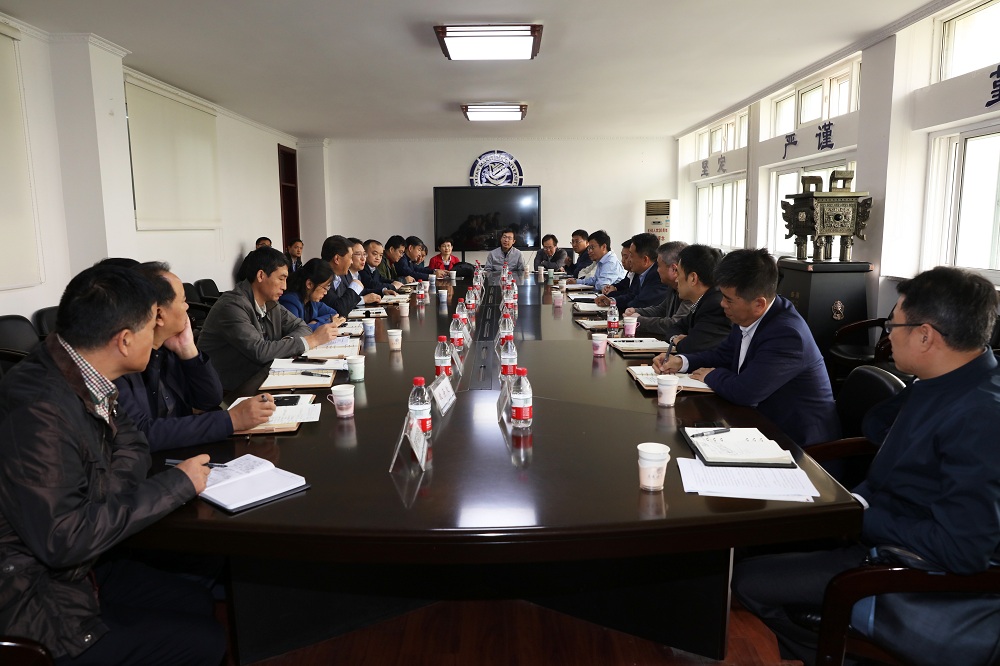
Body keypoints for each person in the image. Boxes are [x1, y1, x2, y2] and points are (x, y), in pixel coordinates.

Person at [733, 266, 1000, 666]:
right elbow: (884, 433)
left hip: (913, 572)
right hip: (885, 527)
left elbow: (962, 550)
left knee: (746, 582)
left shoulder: (981, 417)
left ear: (925, 336)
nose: (887, 336)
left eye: (893, 325)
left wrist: (857, 513)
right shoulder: (948, 377)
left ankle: (838, 655)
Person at [0, 264, 225, 664]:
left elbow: (134, 443)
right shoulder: (39, 409)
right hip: (34, 596)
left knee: (196, 599)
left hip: (83, 565)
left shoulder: (81, 371)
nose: (156, 336)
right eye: (149, 327)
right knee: (206, 640)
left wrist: (97, 499)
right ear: (124, 340)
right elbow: (65, 540)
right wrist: (175, 484)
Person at [653, 248, 838, 447]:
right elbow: (723, 354)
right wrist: (682, 362)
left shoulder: (787, 334)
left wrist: (711, 375)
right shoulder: (750, 316)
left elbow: (746, 392)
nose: (722, 304)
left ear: (759, 304)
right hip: (758, 424)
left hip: (799, 444)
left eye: (728, 299)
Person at [116, 262, 274, 451]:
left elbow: (209, 400)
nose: (187, 307)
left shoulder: (169, 348)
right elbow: (141, 433)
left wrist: (189, 351)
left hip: (185, 450)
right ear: (158, 315)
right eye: (182, 301)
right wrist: (232, 420)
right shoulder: (119, 363)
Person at [200, 246, 342, 390]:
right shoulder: (232, 306)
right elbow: (260, 352)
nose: (285, 287)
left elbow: (302, 326)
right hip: (229, 391)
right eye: (281, 279)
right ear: (261, 276)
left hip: (262, 377)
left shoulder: (271, 303)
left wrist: (285, 343)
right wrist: (312, 340)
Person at [650, 244, 731, 353]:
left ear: (693, 278)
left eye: (678, 273)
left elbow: (692, 347)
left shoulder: (715, 305)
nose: (676, 279)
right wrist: (675, 338)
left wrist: (680, 342)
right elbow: (674, 328)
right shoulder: (703, 301)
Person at [624, 241, 692, 338]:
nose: (657, 270)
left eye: (659, 266)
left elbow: (675, 324)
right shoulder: (672, 286)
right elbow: (662, 309)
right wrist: (636, 311)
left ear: (674, 269)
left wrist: (639, 320)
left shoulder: (691, 291)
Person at [596, 233, 668, 310]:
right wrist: (611, 301)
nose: (629, 260)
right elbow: (631, 295)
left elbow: (640, 303)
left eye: (631, 255)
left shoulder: (657, 275)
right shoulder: (640, 273)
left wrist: (613, 302)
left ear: (645, 260)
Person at [320, 234, 380, 317]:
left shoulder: (337, 276)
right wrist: (354, 287)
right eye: (350, 257)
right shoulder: (322, 277)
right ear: (337, 259)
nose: (351, 262)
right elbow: (339, 310)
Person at [278, 257, 342, 330]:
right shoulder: (290, 302)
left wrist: (316, 321)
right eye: (325, 288)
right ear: (309, 284)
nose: (326, 293)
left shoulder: (311, 301)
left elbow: (334, 313)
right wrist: (321, 324)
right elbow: (297, 331)